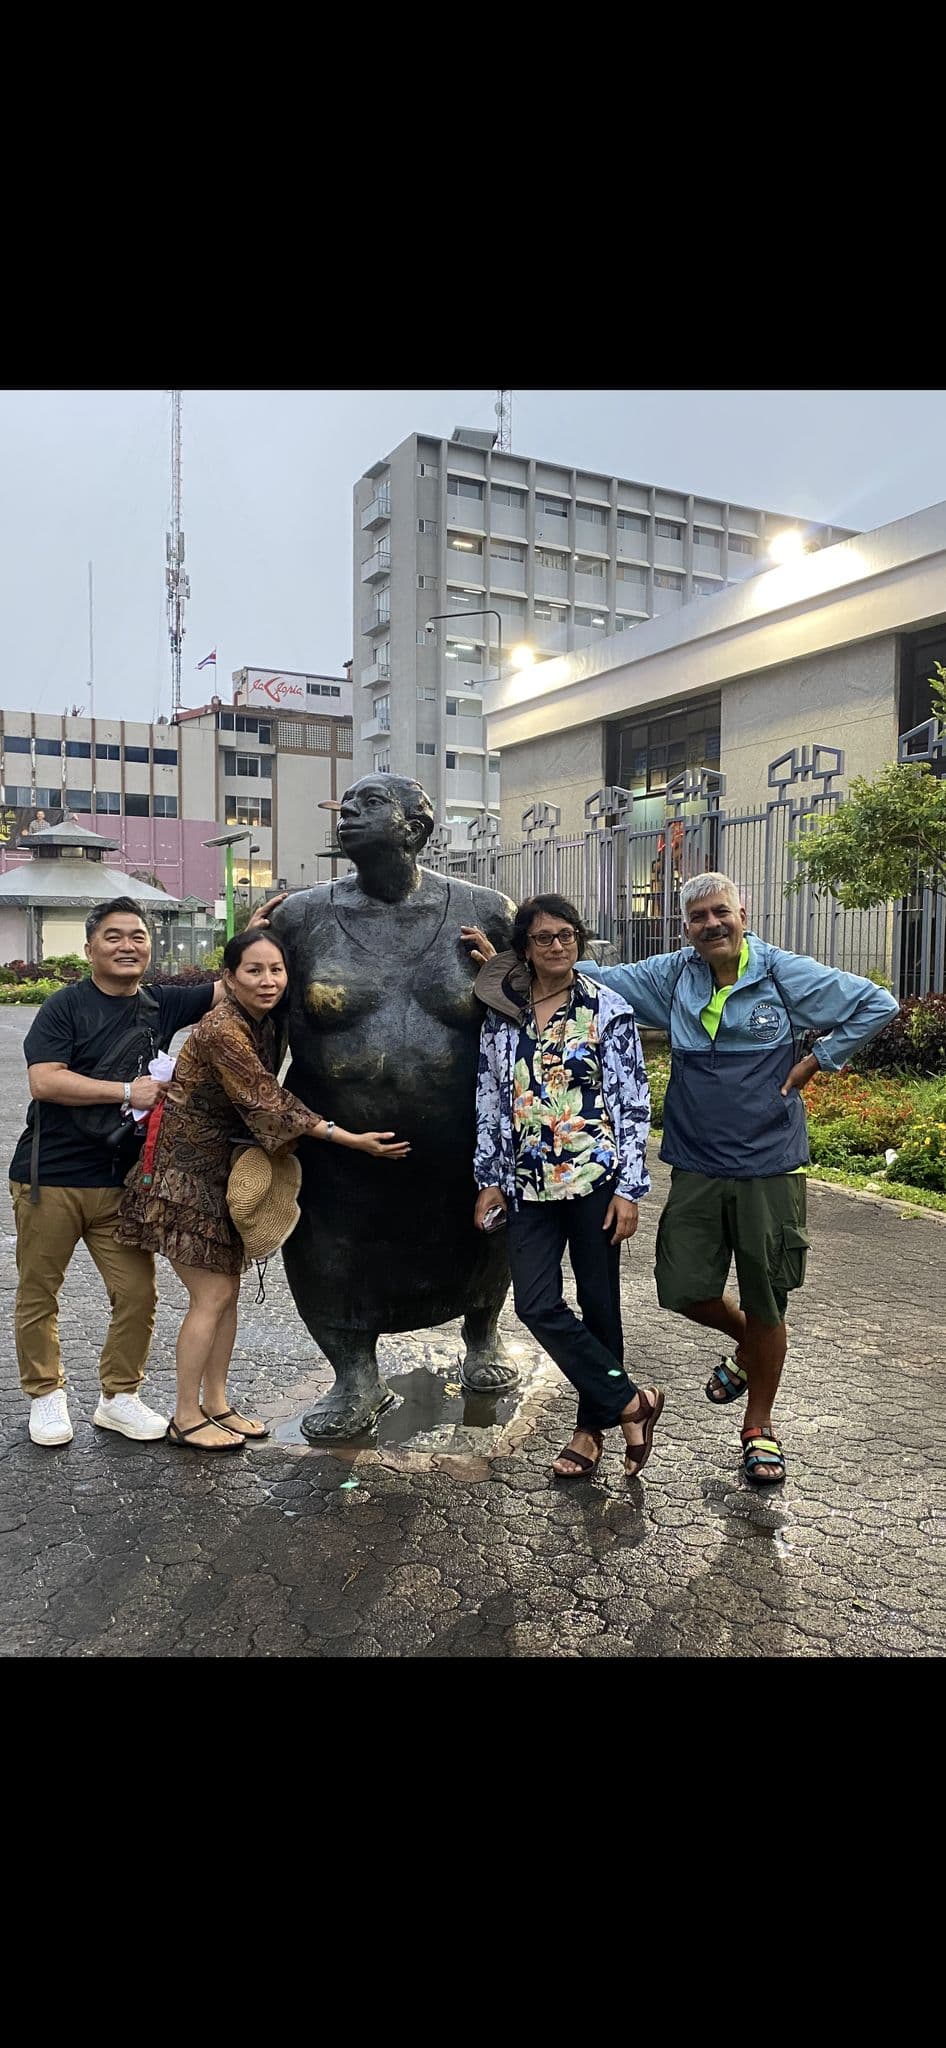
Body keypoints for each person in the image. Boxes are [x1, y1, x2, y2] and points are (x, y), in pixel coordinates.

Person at [542, 871, 899, 1486]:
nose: (711, 925)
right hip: (697, 1165)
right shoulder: (673, 975)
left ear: (743, 911)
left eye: (720, 912)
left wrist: (818, 1060)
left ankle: (758, 1427)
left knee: (768, 1297)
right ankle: (748, 1346)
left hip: (769, 1168)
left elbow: (877, 1003)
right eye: (698, 917)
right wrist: (509, 958)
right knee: (681, 1288)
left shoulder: (783, 974)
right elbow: (585, 976)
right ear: (686, 927)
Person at [115, 929, 411, 1453]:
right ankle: (186, 1415)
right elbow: (267, 1101)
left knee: (225, 1293)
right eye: (253, 970)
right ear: (229, 978)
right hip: (181, 1177)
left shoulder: (266, 1019)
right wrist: (349, 1139)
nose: (268, 980)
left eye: (276, 969)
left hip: (218, 1173)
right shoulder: (223, 1030)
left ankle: (217, 1402)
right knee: (213, 1295)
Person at [8, 894, 271, 1448]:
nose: (128, 946)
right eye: (114, 936)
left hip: (121, 1179)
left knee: (136, 1294)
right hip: (50, 1175)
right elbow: (45, 1081)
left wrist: (252, 934)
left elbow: (236, 983)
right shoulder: (64, 1006)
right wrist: (128, 1090)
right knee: (40, 1291)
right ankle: (46, 1394)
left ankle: (119, 1396)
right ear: (89, 948)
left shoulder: (159, 1004)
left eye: (138, 937)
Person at [469, 894, 663, 1483]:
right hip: (527, 1186)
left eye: (566, 934)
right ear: (524, 948)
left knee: (600, 1306)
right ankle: (631, 1402)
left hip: (595, 1182)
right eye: (544, 937)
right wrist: (489, 1179)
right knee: (534, 1303)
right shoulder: (503, 1015)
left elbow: (633, 1104)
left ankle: (589, 1430)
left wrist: (630, 1189)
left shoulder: (608, 1009)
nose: (557, 945)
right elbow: (490, 1100)